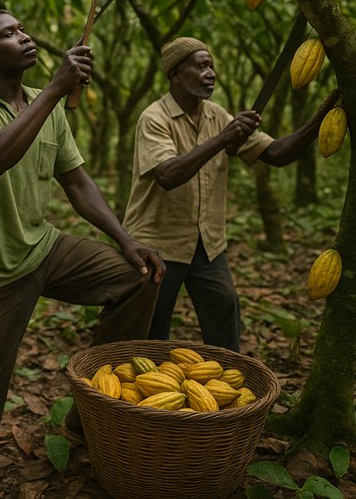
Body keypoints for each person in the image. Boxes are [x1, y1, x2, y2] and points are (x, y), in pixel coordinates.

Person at [0, 9, 165, 496]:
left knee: (138, 278)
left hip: (43, 246)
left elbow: (76, 181)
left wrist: (127, 242)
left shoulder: (48, 107)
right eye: (8, 35)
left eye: (22, 30)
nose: (24, 38)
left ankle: (92, 410)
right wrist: (55, 90)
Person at [122, 37, 341, 352]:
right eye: (200, 67)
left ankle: (228, 389)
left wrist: (321, 116)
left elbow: (277, 154)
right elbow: (168, 175)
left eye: (211, 66)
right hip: (157, 244)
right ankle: (151, 398)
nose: (210, 73)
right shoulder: (154, 118)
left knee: (224, 316)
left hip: (207, 245)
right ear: (175, 75)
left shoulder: (216, 115)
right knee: (152, 330)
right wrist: (223, 139)